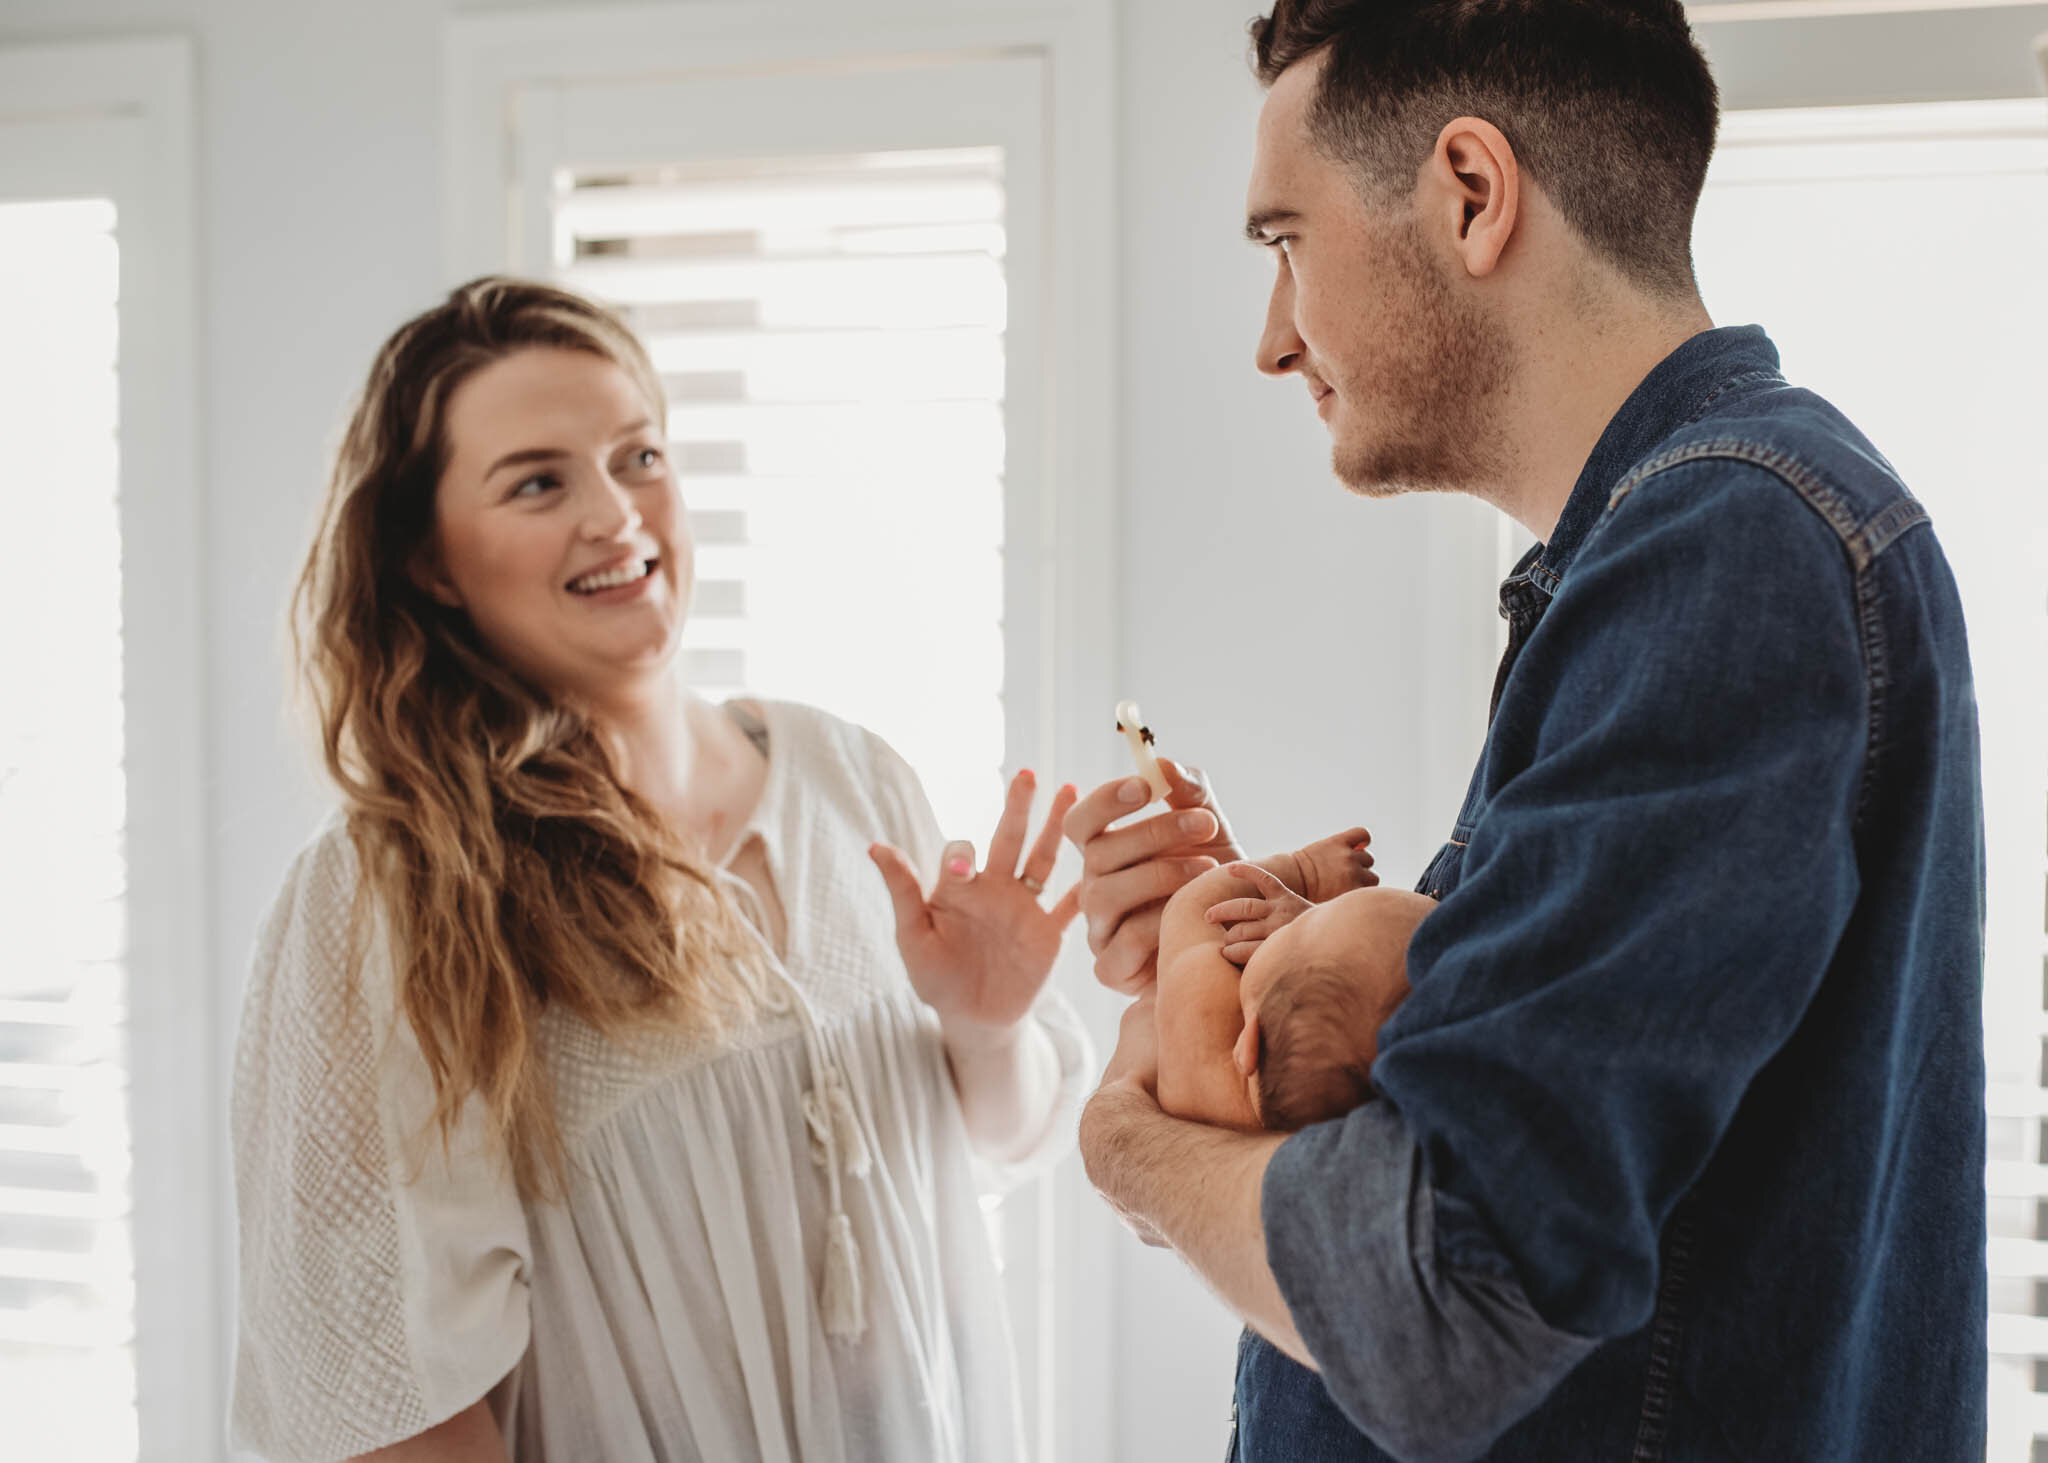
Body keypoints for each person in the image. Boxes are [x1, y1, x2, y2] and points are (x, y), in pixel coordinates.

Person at [1064, 2, 1987, 1459]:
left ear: (1472, 194)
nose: (1270, 337)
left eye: (1285, 241)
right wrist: (1263, 990)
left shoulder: (1732, 544)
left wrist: (1131, 1139)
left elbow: (1440, 1297)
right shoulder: (1674, 555)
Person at [227, 276, 1093, 1463]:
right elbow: (379, 1398)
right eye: (539, 480)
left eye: (637, 455)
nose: (615, 514)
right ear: (430, 558)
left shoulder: (851, 777)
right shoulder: (393, 896)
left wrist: (986, 1028)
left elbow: (988, 1148)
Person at [1152, 832, 1426, 1132]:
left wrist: (1304, 869)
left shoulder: (1205, 1067)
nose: (1294, 916)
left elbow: (1191, 910)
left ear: (1248, 1044)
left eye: (1299, 925)